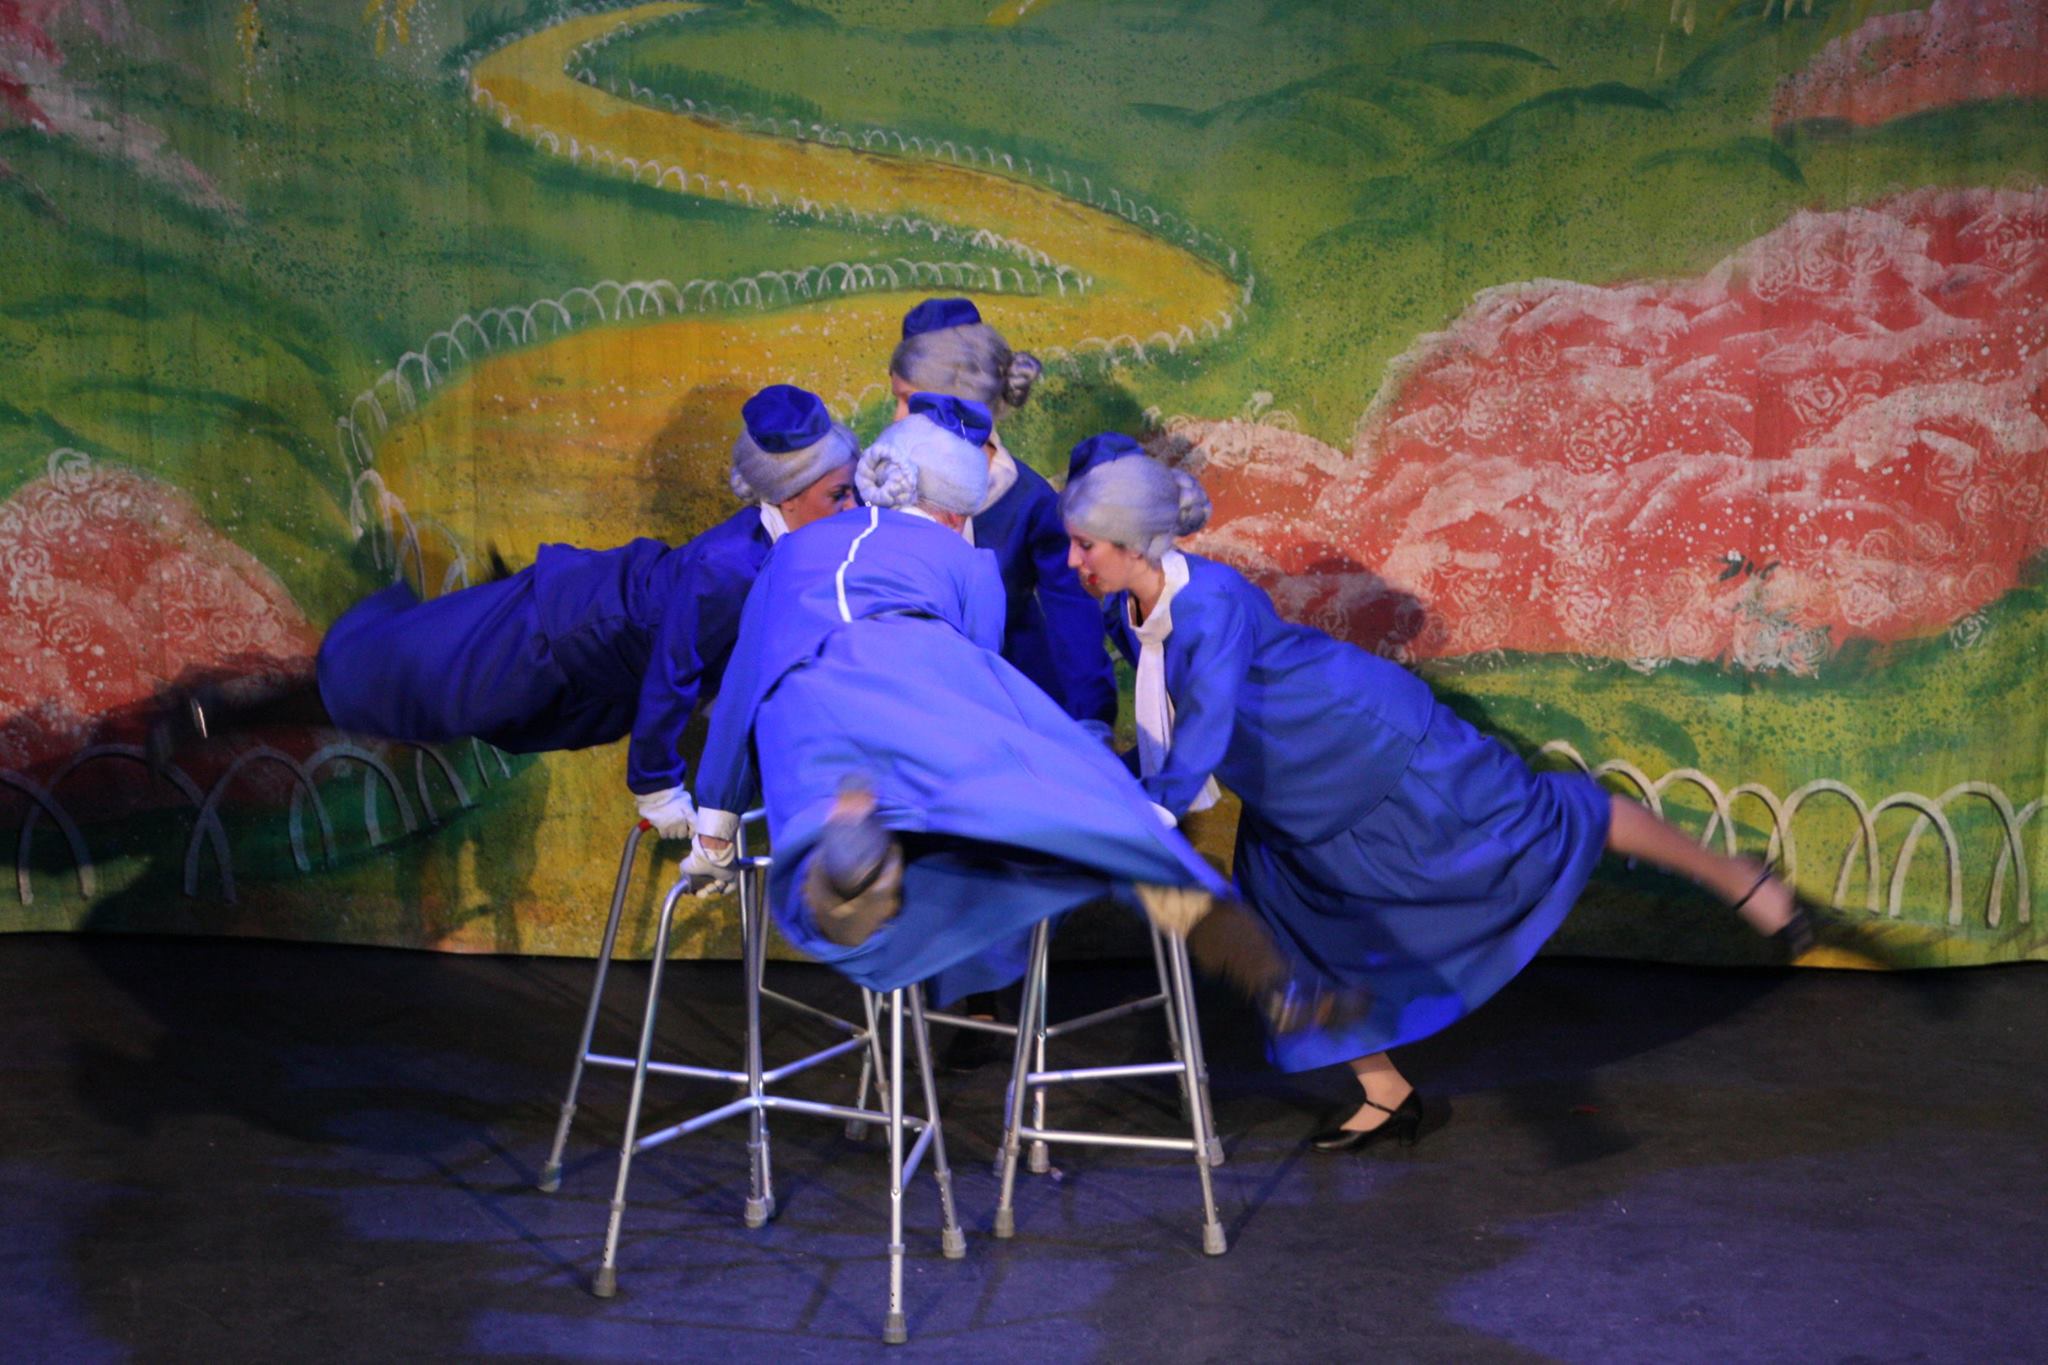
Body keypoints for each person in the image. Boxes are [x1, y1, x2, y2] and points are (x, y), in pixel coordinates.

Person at [1058, 444, 1810, 1150]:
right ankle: (1387, 1094)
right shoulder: (1128, 608)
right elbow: (1169, 717)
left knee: (1547, 822)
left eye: (1086, 545)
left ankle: (1735, 876)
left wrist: (1152, 805)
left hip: (1374, 746)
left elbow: (1207, 718)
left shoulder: (1210, 604)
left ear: (1133, 544)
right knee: (1292, 939)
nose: (1073, 560)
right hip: (1295, 793)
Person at [682, 397, 1335, 1025]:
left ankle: (851, 875)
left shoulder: (792, 553)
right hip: (921, 677)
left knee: (832, 842)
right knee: (1085, 813)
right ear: (952, 513)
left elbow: (744, 683)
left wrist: (715, 823)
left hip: (807, 710)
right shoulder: (967, 563)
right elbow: (978, 667)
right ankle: (1252, 960)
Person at [163, 385, 859, 838]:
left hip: (584, 649)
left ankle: (465, 612)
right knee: (390, 684)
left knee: (421, 693)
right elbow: (672, 675)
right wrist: (656, 786)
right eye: (839, 495)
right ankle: (214, 711)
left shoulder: (785, 546)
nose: (853, 507)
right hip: (549, 637)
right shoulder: (729, 569)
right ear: (787, 495)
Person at [889, 297, 1116, 736]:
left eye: (908, 402)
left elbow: (1071, 615)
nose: (898, 417)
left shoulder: (1026, 499)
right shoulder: (887, 486)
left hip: (1010, 693)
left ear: (958, 404)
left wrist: (1092, 715)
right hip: (920, 695)